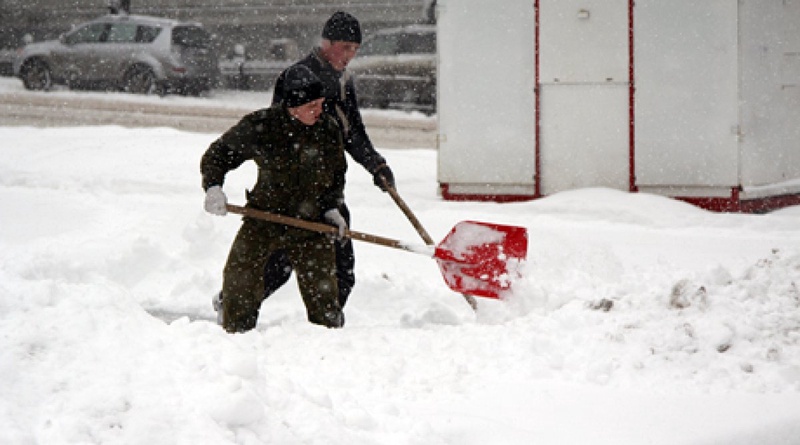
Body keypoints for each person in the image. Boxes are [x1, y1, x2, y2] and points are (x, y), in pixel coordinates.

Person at [212, 11, 395, 319]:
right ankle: (233, 300)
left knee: (337, 263)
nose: (350, 56)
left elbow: (352, 132)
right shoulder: (299, 75)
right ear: (328, 43)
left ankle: (329, 320)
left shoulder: (342, 80)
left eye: (355, 50)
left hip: (325, 188)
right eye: (346, 48)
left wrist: (376, 165)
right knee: (284, 263)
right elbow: (280, 133)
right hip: (294, 191)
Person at [201, 65, 348, 332]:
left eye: (321, 103)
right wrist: (213, 187)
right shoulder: (263, 126)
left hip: (310, 224)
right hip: (264, 220)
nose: (319, 110)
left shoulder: (328, 129)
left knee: (324, 298)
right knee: (238, 281)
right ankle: (235, 338)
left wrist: (332, 207)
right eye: (311, 105)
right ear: (292, 106)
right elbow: (217, 155)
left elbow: (336, 175)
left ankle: (330, 347)